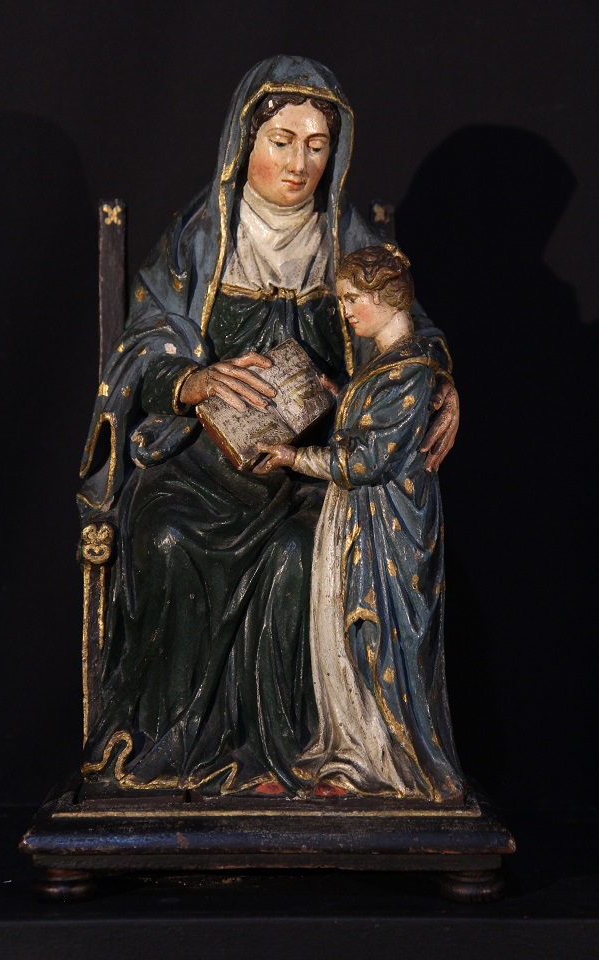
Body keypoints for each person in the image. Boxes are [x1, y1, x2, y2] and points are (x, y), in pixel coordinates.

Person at [79, 55, 459, 796]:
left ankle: (289, 760)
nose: (299, 164)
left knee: (299, 557)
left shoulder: (345, 236)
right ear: (243, 141)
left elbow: (412, 333)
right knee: (164, 539)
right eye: (282, 141)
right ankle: (176, 750)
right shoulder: (199, 237)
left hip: (313, 469)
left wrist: (440, 380)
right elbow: (140, 351)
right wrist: (192, 381)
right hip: (201, 463)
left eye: (317, 145)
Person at [256, 245, 464, 801]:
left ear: (387, 297)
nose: (344, 310)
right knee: (340, 639)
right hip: (357, 519)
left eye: (353, 298)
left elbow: (367, 460)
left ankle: (388, 767)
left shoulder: (410, 370)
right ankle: (345, 753)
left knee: (375, 639)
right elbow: (372, 420)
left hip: (388, 528)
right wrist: (341, 394)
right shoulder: (387, 361)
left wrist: (291, 456)